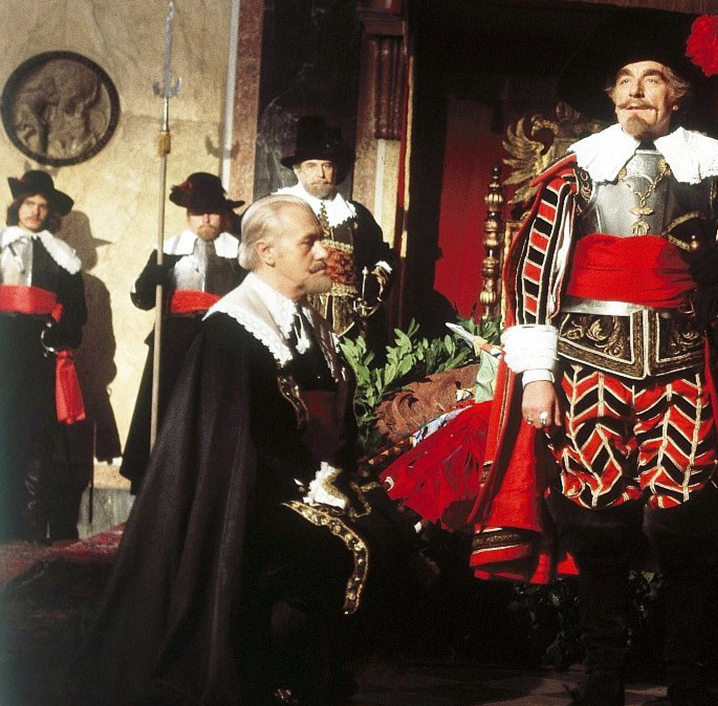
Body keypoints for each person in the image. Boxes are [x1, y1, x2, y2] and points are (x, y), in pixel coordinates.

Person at [467, 15, 718, 706]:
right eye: (624, 81)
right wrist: (537, 376)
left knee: (686, 529)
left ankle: (687, 678)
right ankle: (604, 675)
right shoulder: (575, 172)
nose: (635, 91)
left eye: (652, 79)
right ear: (611, 95)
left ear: (678, 94)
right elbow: (534, 275)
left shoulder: (715, 168)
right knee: (597, 525)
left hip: (684, 370)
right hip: (588, 368)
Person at [76, 195, 414, 706]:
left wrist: (337, 476)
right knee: (342, 548)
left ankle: (313, 674)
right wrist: (313, 483)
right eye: (309, 242)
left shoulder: (308, 319)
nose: (324, 252)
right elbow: (236, 446)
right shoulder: (232, 330)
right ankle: (274, 677)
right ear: (267, 252)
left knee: (395, 529)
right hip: (249, 500)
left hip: (307, 483)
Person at [119, 172, 245, 493]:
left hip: (219, 343)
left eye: (213, 211)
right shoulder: (169, 249)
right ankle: (156, 486)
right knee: (165, 413)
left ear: (224, 214)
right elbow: (142, 299)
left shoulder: (239, 253)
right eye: (198, 212)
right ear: (188, 215)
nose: (206, 219)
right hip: (173, 345)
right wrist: (154, 276)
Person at [0, 171, 86, 541]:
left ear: (50, 213)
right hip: (3, 347)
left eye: (43, 205)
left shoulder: (63, 256)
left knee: (38, 436)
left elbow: (77, 312)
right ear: (17, 206)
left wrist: (60, 332)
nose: (35, 211)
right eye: (29, 203)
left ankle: (33, 526)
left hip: (40, 351)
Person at [275, 115, 395, 340]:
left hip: (350, 329)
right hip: (293, 320)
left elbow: (383, 258)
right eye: (311, 166)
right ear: (297, 170)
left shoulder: (356, 215)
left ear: (335, 170)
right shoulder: (278, 209)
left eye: (326, 166)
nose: (320, 174)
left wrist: (374, 283)